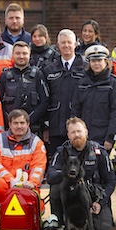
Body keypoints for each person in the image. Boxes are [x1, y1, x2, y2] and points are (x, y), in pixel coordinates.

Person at [46, 117, 116, 230]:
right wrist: (68, 173)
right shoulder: (62, 152)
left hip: (94, 196)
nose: (77, 135)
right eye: (73, 132)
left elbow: (110, 182)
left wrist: (100, 202)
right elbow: (50, 176)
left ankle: (87, 227)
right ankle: (61, 224)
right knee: (56, 188)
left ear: (86, 132)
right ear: (68, 135)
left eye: (79, 131)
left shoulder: (99, 152)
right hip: (71, 195)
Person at [0, 109, 47, 224]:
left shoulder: (36, 143)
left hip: (27, 186)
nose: (19, 126)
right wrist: (11, 181)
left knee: (39, 208)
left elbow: (39, 167)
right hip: (6, 185)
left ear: (28, 124)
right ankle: (3, 213)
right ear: (9, 124)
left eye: (22, 123)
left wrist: (32, 183)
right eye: (15, 123)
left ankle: (29, 216)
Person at [37, 29, 86, 158]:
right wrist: (45, 126)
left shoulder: (86, 68)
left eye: (69, 42)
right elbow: (44, 99)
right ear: (58, 46)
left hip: (78, 127)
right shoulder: (48, 69)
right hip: (55, 127)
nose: (66, 45)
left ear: (75, 44)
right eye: (63, 43)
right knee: (58, 161)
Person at [72, 45, 116, 150]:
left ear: (106, 61)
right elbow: (75, 110)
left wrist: (110, 138)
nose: (96, 64)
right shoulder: (82, 83)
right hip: (84, 137)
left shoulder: (114, 84)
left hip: (103, 138)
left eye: (99, 60)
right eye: (93, 61)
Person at [0, 41, 46, 133]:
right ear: (13, 54)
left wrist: (27, 121)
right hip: (9, 127)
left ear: (29, 54)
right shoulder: (4, 76)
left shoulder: (38, 75)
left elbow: (44, 102)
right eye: (18, 53)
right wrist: (11, 121)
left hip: (33, 127)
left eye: (24, 53)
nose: (21, 56)